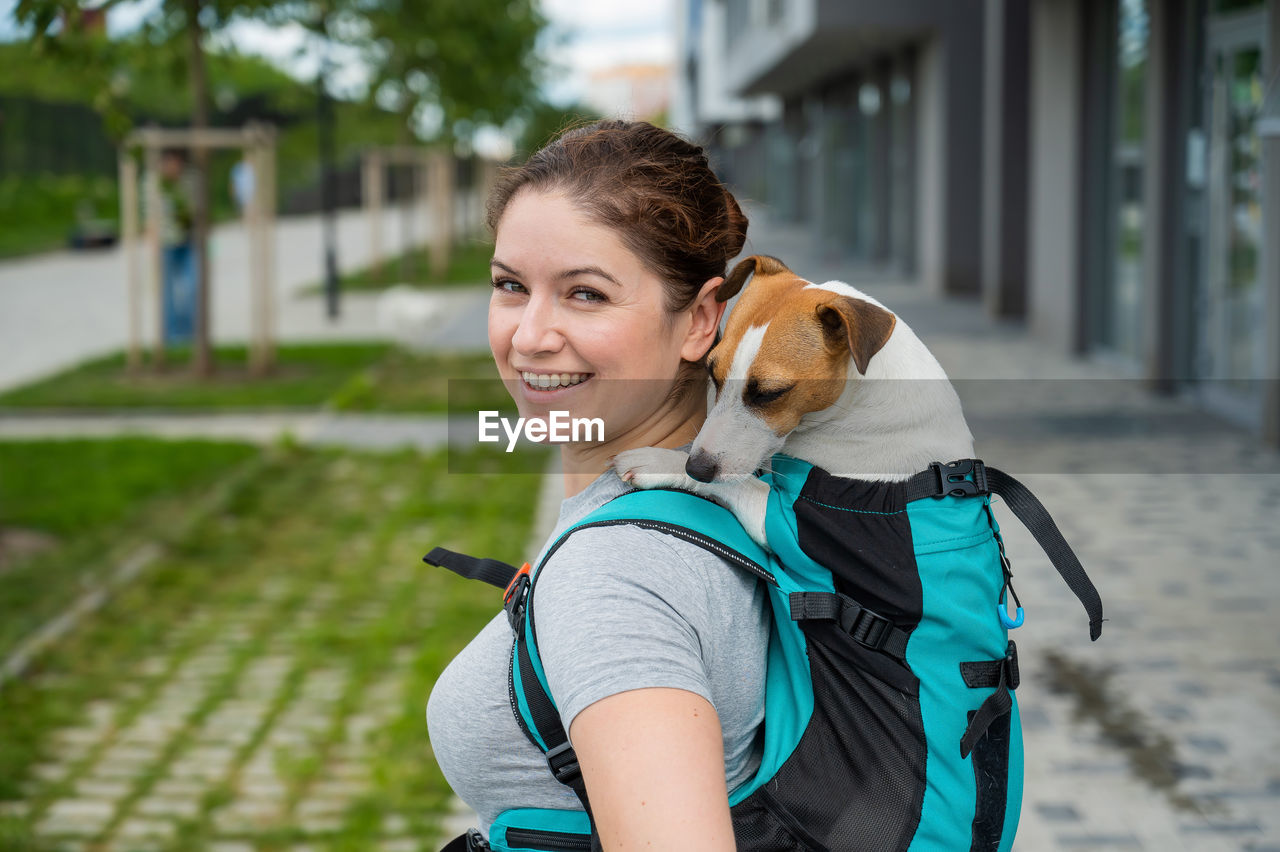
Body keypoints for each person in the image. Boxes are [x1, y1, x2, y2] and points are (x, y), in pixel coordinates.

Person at [426, 120, 768, 851]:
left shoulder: (617, 575)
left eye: (584, 294)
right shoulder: (734, 492)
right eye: (510, 286)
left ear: (699, 320)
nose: (529, 336)